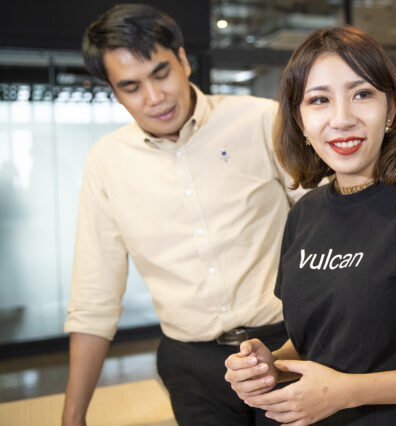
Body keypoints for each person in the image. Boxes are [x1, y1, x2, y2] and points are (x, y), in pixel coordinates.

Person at [223, 25, 396, 425]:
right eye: (319, 100)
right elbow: (319, 341)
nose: (342, 119)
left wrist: (348, 391)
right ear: (300, 122)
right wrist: (271, 363)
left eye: (363, 94)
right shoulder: (304, 214)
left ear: (390, 109)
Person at [62, 4, 305, 425]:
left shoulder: (263, 120)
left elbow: (329, 228)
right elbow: (93, 300)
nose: (155, 98)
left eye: (161, 73)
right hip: (191, 366)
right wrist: (73, 416)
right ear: (112, 90)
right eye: (131, 86)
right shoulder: (105, 163)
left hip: (290, 345)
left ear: (183, 59)